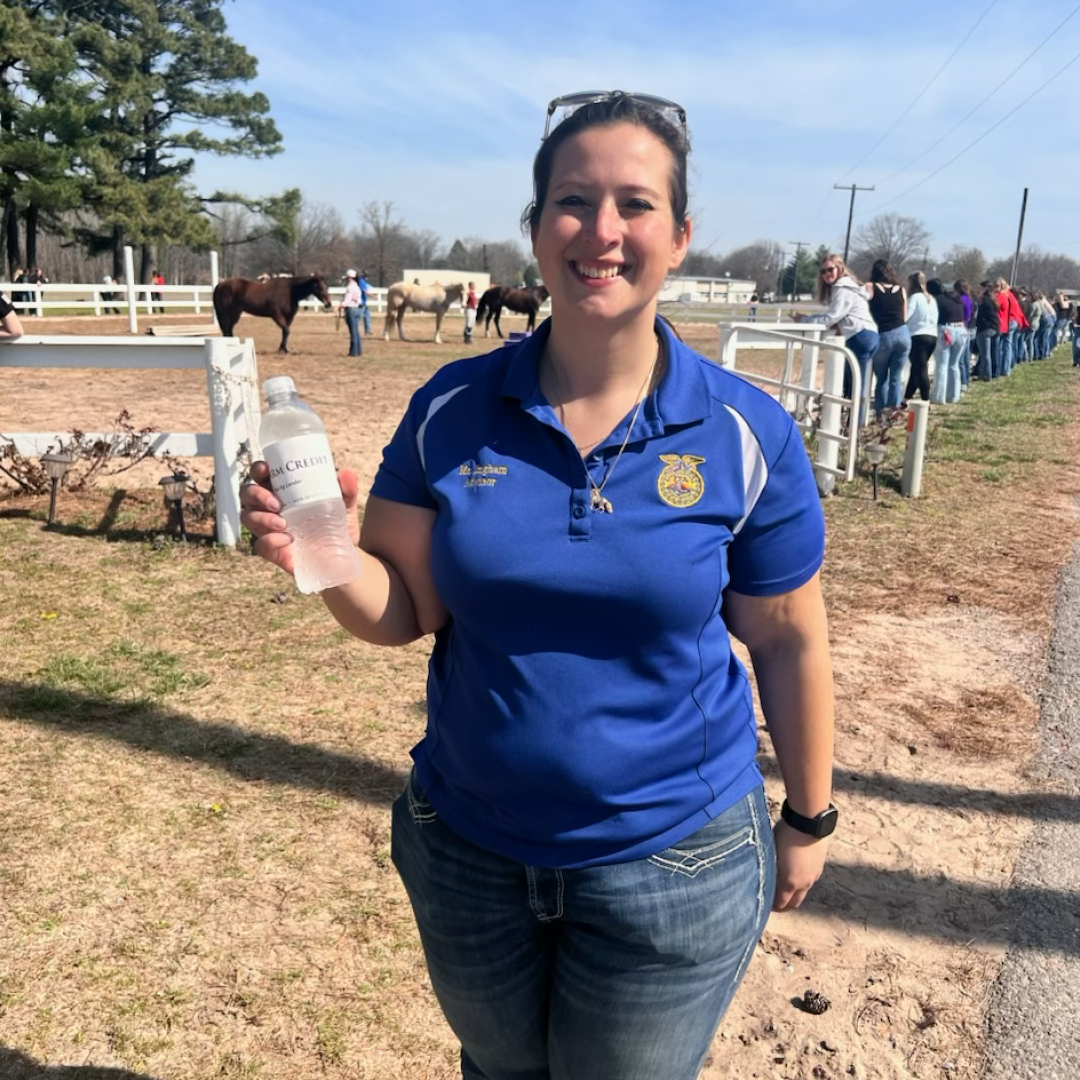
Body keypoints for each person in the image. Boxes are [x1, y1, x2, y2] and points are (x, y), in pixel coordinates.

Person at [240, 89, 836, 1080]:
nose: (603, 230)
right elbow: (408, 608)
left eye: (635, 204)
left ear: (681, 236)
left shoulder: (744, 433)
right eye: (572, 201)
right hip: (470, 854)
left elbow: (786, 641)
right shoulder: (452, 408)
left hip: (675, 861)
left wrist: (809, 818)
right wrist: (333, 558)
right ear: (536, 229)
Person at [795, 254, 878, 426]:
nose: (827, 274)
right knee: (853, 382)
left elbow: (831, 317)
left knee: (857, 386)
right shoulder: (848, 286)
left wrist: (805, 320)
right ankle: (851, 423)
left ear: (840, 268)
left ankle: (856, 426)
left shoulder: (842, 287)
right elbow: (836, 317)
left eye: (830, 269)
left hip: (860, 336)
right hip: (866, 335)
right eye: (823, 271)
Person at [866, 260, 909, 418]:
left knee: (882, 378)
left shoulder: (870, 287)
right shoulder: (901, 290)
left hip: (883, 334)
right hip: (903, 334)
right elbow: (904, 316)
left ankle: (880, 413)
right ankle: (894, 411)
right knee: (896, 377)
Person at [927, 278, 966, 404]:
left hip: (946, 330)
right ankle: (954, 395)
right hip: (962, 330)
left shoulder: (936, 300)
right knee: (954, 365)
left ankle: (938, 397)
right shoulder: (954, 298)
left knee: (941, 365)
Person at [904, 271, 937, 401]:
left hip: (918, 336)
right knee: (917, 369)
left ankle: (925, 399)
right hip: (932, 335)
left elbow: (906, 316)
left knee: (921, 370)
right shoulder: (931, 299)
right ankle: (906, 398)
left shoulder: (915, 298)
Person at [973, 281, 999, 381]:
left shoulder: (983, 300)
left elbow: (978, 314)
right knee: (991, 353)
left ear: (985, 289)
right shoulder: (993, 299)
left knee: (985, 354)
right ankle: (990, 373)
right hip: (994, 327)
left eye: (980, 288)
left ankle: (986, 375)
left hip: (985, 328)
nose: (978, 290)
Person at [338, 269, 363, 357]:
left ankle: (353, 352)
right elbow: (360, 300)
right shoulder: (357, 287)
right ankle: (358, 350)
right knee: (356, 331)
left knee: (353, 331)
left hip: (351, 309)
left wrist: (341, 305)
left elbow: (347, 300)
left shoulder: (350, 287)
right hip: (357, 309)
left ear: (349, 278)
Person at [358, 270, 372, 334]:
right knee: (359, 316)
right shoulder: (361, 282)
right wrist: (373, 296)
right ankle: (356, 329)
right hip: (361, 302)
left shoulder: (363, 282)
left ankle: (368, 330)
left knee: (367, 315)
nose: (368, 277)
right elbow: (364, 291)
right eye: (367, 276)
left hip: (364, 302)